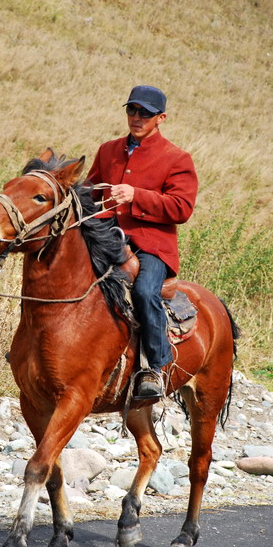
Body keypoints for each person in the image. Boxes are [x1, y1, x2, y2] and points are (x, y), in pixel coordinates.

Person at [86, 85, 198, 399]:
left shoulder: (177, 158)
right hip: (106, 236)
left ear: (161, 118)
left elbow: (182, 208)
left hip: (151, 245)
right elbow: (90, 192)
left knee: (145, 290)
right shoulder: (108, 150)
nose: (136, 118)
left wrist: (137, 196)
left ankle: (154, 368)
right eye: (132, 110)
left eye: (145, 113)